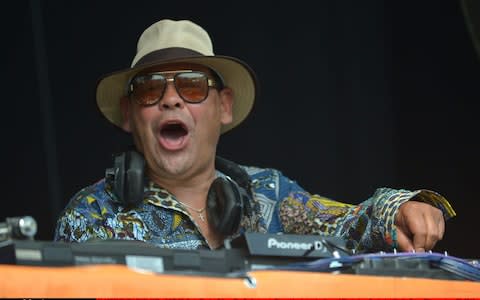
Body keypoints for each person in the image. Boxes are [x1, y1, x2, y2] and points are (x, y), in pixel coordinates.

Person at [54, 19, 456, 252]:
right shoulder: (89, 216)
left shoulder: (270, 194)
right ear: (129, 114)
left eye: (192, 86)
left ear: (223, 106)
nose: (171, 100)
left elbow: (351, 221)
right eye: (150, 88)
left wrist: (401, 209)